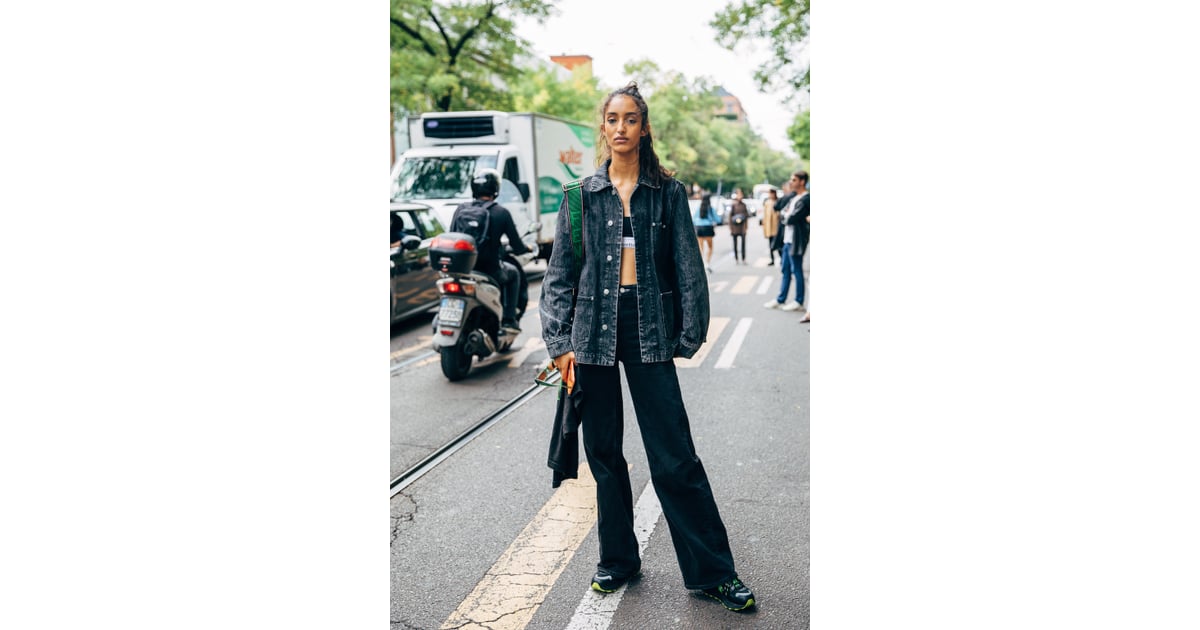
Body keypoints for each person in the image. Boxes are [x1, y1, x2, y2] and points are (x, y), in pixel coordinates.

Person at [540, 82, 756, 612]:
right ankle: (617, 560)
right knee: (605, 454)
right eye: (612, 118)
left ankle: (712, 572)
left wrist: (690, 332)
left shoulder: (667, 194)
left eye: (630, 119)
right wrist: (559, 343)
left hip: (650, 327)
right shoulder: (579, 197)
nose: (620, 128)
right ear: (603, 127)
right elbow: (560, 277)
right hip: (591, 333)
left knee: (674, 454)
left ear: (644, 127)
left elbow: (688, 266)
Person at [450, 168, 531, 330]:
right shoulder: (501, 212)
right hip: (491, 271)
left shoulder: (461, 209)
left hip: (464, 270)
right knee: (514, 273)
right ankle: (509, 319)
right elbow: (517, 246)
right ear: (496, 189)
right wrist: (526, 248)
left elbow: (451, 235)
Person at [764, 170, 808, 312]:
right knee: (785, 269)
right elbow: (781, 210)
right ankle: (780, 299)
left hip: (797, 240)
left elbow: (791, 218)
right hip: (787, 239)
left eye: (794, 180)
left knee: (797, 270)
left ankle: (799, 301)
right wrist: (786, 215)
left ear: (802, 181)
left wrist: (786, 217)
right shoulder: (794, 197)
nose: (791, 182)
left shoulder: (807, 198)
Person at [693, 194, 717, 272]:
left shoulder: (699, 209)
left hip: (699, 228)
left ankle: (701, 263)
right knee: (710, 247)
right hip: (707, 228)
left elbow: (693, 219)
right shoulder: (710, 209)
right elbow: (718, 219)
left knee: (701, 247)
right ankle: (707, 263)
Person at [727, 189, 750, 265]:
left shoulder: (744, 205)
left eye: (741, 194)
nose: (740, 196)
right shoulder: (733, 205)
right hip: (735, 227)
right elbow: (730, 216)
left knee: (743, 244)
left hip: (742, 227)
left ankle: (743, 258)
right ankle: (736, 258)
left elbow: (746, 216)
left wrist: (746, 226)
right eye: (738, 194)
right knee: (735, 244)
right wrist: (730, 227)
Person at [760, 188, 780, 265]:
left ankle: (781, 258)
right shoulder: (767, 203)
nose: (770, 195)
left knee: (778, 244)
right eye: (769, 193)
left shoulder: (778, 202)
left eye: (772, 193)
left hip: (776, 227)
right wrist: (764, 227)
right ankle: (772, 259)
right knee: (770, 245)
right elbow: (765, 216)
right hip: (769, 227)